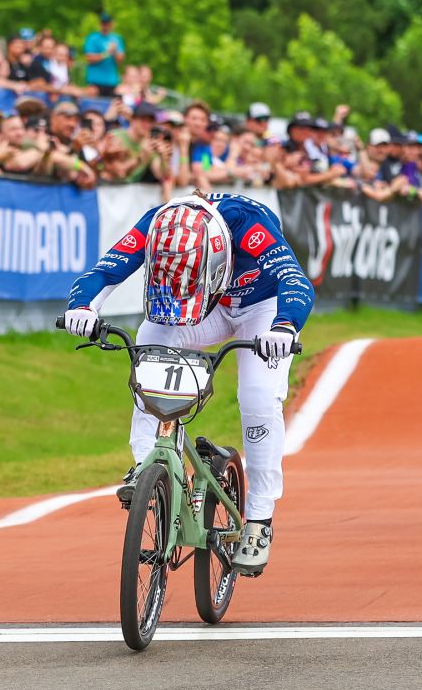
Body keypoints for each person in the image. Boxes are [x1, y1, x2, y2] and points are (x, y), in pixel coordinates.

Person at [64, 191, 316, 576]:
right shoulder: (159, 223)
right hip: (198, 302)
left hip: (261, 310)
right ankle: (149, 464)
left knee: (258, 396)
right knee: (149, 350)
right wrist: (83, 307)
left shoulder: (248, 225)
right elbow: (106, 270)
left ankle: (259, 519)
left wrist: (284, 326)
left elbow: (295, 281)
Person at [83, 11, 123, 97]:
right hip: (95, 81)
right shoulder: (92, 38)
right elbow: (89, 58)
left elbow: (120, 61)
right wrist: (106, 53)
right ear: (100, 24)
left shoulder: (117, 39)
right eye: (104, 23)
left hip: (111, 81)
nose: (106, 26)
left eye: (108, 23)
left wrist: (114, 51)